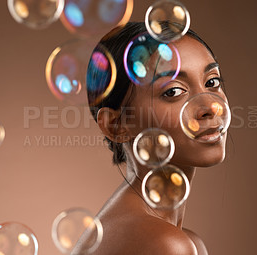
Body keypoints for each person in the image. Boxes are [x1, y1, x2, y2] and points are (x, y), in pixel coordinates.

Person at [75, 21, 228, 255]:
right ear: (116, 125)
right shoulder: (163, 243)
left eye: (212, 82)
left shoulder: (176, 238)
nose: (210, 107)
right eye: (173, 91)